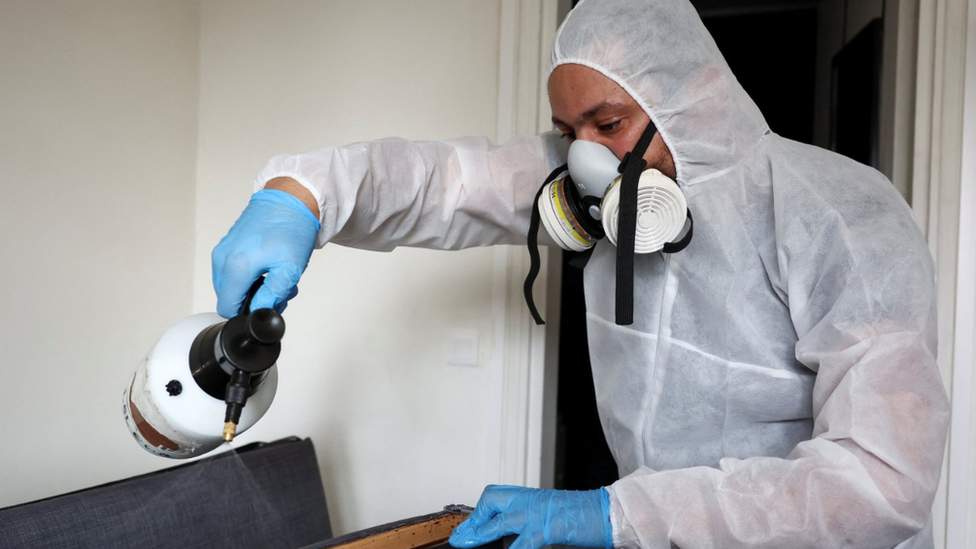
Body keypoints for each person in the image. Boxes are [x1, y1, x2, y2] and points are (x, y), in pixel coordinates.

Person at [211, 0, 950, 547]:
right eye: (569, 134)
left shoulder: (841, 215)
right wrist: (301, 194)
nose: (586, 162)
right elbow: (446, 181)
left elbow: (879, 480)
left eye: (610, 124)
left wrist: (612, 514)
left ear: (695, 95)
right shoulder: (587, 192)